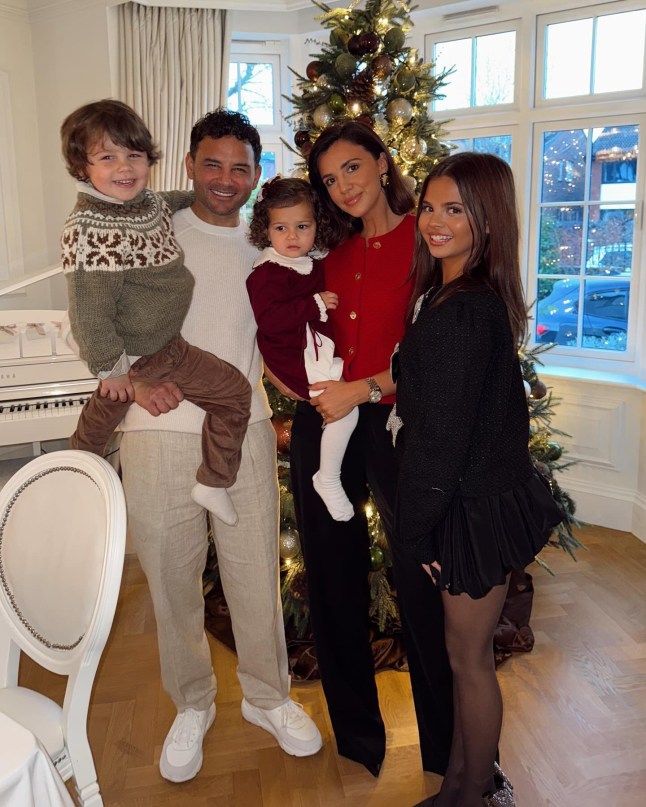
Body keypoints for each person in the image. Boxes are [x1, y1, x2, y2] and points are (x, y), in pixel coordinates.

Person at [115, 108, 322, 783]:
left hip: (246, 430)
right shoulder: (154, 232)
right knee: (172, 580)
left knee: (255, 572)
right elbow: (101, 310)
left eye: (240, 167)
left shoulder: (271, 246)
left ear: (256, 175)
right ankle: (192, 703)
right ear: (189, 165)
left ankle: (268, 696)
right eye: (213, 163)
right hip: (155, 433)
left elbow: (293, 336)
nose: (226, 178)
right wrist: (133, 380)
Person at [276, 121, 454, 779]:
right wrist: (292, 380)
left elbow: (438, 349)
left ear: (382, 162)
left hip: (396, 421)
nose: (342, 186)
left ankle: (451, 751)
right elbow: (281, 322)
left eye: (352, 167)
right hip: (324, 419)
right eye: (329, 178)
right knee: (330, 575)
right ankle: (357, 739)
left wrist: (366, 386)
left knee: (422, 577)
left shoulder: (426, 240)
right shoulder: (327, 254)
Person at [392, 152, 563, 807]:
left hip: (468, 508)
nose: (435, 221)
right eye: (429, 206)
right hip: (474, 499)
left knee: (468, 662)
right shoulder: (455, 294)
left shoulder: (461, 311)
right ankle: (463, 787)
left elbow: (441, 440)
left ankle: (471, 793)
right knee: (467, 659)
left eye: (455, 209)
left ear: (486, 219)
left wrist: (418, 532)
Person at [60, 99, 250, 526]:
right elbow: (88, 313)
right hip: (136, 356)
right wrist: (116, 373)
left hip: (168, 346)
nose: (124, 168)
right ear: (81, 167)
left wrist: (201, 197)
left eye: (134, 155)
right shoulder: (91, 228)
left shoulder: (147, 205)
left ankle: (212, 482)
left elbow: (170, 200)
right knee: (96, 430)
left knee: (234, 395)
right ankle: (75, 484)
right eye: (107, 158)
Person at [246, 176, 358, 521]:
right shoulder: (266, 273)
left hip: (313, 350)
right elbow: (269, 320)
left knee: (342, 409)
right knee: (345, 409)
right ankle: (328, 477)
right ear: (266, 230)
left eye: (302, 226)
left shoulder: (312, 263)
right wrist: (314, 303)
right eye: (281, 228)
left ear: (316, 226)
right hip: (293, 357)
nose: (292, 236)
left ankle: (329, 471)